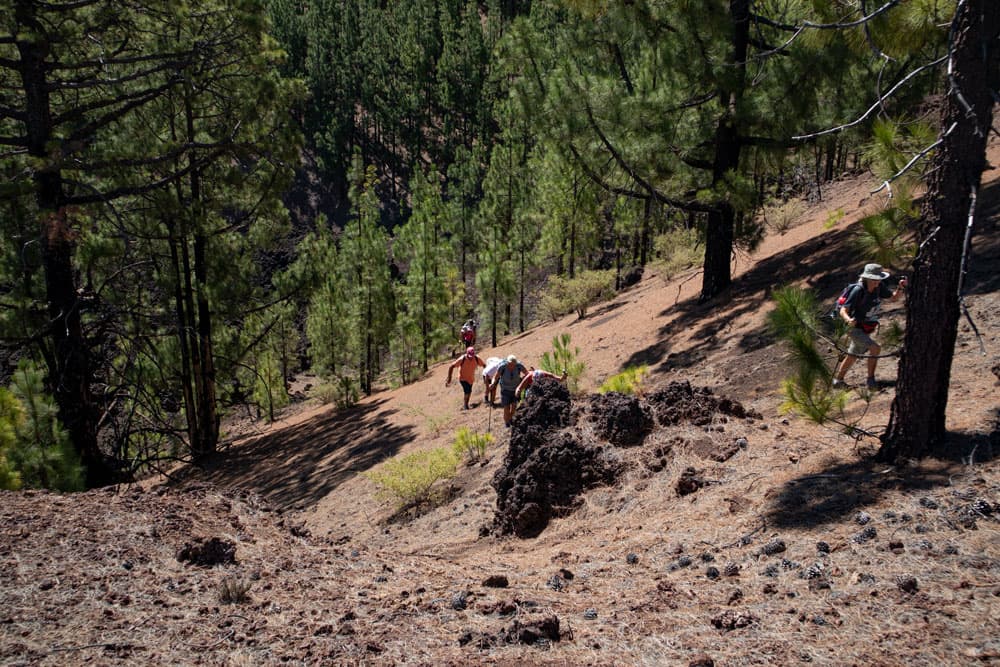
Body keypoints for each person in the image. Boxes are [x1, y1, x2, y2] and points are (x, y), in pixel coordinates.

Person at [832, 263, 906, 390]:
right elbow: (843, 310)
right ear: (866, 278)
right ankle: (871, 381)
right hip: (853, 327)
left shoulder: (879, 287)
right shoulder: (858, 290)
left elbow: (894, 298)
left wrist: (900, 287)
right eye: (874, 279)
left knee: (853, 353)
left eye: (878, 279)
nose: (877, 281)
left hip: (864, 326)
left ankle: (838, 381)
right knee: (875, 348)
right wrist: (848, 320)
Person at [490, 354, 527, 427]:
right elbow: (496, 376)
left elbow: (527, 373)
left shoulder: (519, 366)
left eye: (514, 364)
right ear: (507, 362)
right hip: (505, 390)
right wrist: (493, 383)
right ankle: (507, 423)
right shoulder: (502, 367)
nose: (512, 366)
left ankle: (510, 420)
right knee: (506, 408)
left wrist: (524, 381)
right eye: (510, 364)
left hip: (516, 390)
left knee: (513, 408)